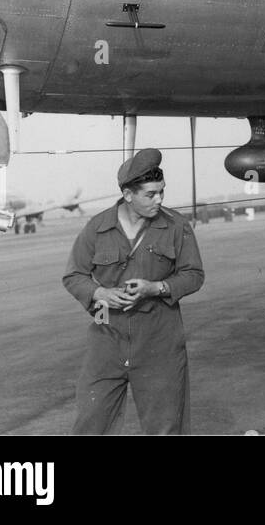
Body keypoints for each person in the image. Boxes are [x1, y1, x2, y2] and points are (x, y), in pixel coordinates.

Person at [62, 148, 205, 435]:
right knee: (91, 424)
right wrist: (99, 293)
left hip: (158, 342)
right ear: (128, 195)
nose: (159, 199)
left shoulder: (176, 226)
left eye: (161, 192)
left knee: (165, 428)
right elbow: (74, 275)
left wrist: (157, 287)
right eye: (150, 194)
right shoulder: (98, 227)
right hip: (106, 340)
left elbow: (194, 275)